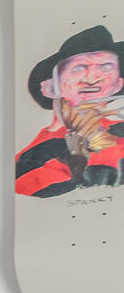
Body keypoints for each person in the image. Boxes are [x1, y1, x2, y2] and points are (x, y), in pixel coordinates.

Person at [17, 25, 124, 197]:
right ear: (51, 87)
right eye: (79, 68)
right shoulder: (31, 158)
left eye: (106, 68)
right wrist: (76, 156)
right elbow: (27, 191)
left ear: (118, 84)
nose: (92, 78)